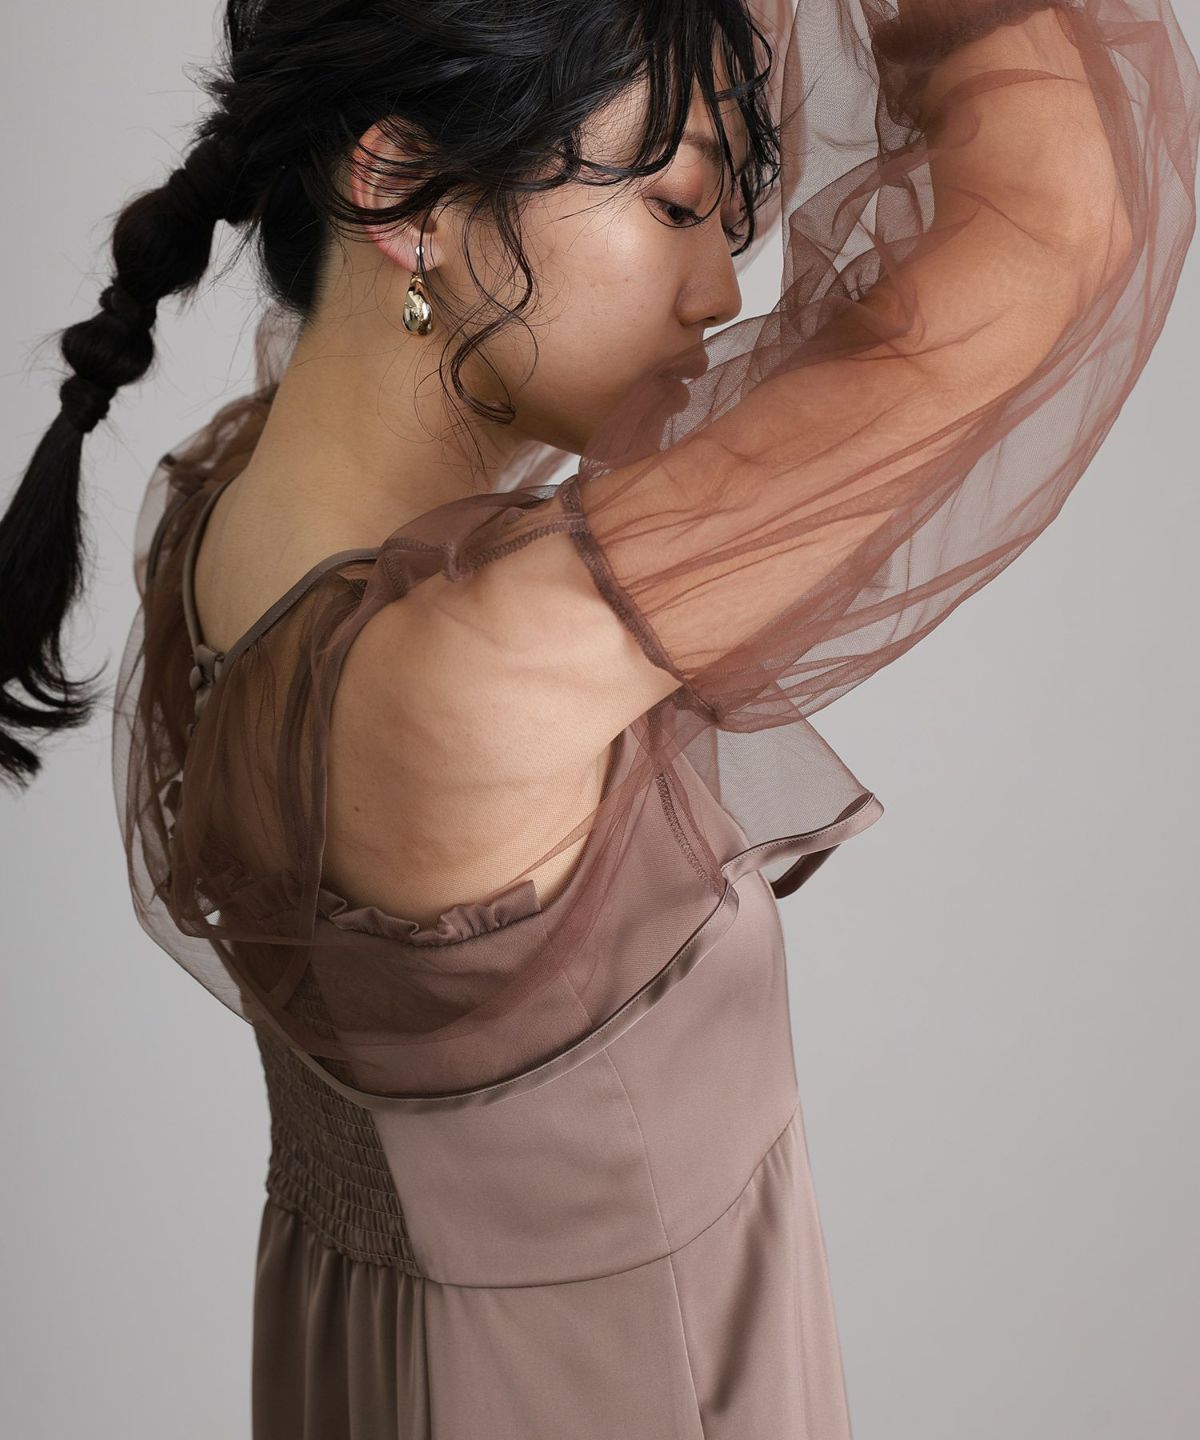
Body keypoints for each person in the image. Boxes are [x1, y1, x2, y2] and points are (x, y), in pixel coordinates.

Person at [2, 0, 1196, 1435]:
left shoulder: (229, 523)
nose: (722, 291)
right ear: (400, 188)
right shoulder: (472, 669)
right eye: (677, 205)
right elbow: (1054, 229)